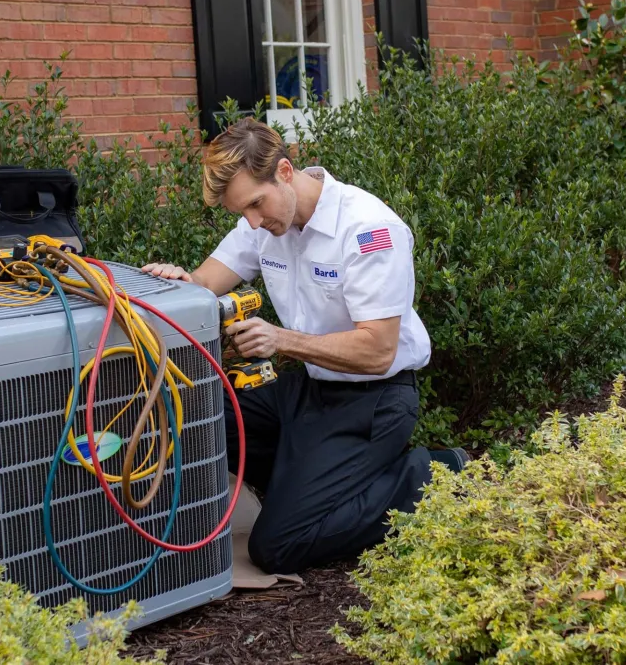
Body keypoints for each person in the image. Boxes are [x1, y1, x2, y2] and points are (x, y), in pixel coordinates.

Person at [141, 118, 467, 574]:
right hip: (313, 393)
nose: (253, 221)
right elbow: (202, 284)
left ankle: (435, 473)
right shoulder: (264, 223)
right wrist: (179, 282)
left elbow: (378, 351)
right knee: (199, 414)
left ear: (286, 172)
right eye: (242, 213)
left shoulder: (368, 229)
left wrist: (280, 339)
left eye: (256, 203)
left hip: (376, 402)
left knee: (276, 547)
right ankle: (308, 491)